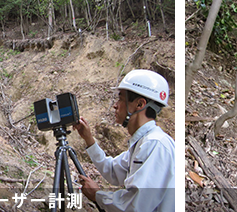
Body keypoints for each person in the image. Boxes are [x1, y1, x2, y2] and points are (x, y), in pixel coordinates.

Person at [72, 69, 175, 211]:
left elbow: (136, 206)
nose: (115, 105)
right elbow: (113, 171)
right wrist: (88, 139)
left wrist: (97, 195)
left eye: (120, 98)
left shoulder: (155, 144)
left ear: (140, 104)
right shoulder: (143, 142)